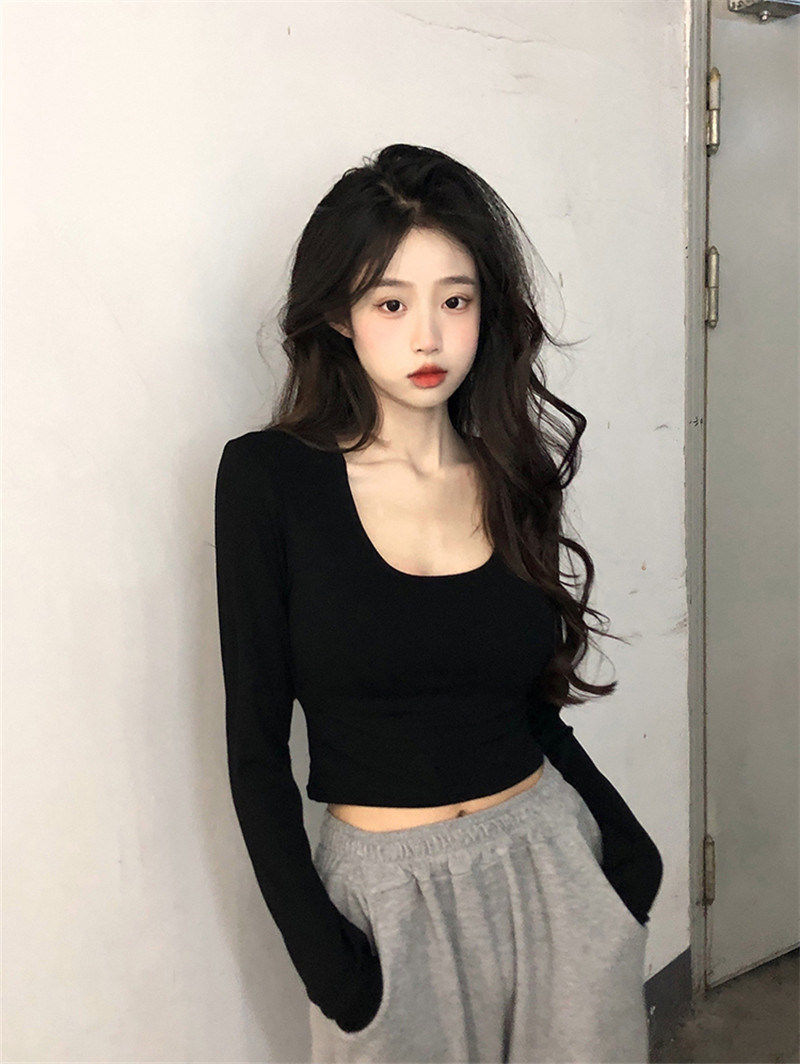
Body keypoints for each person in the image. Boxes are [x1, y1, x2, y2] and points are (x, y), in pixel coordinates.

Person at [213, 143, 664, 1064]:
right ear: (338, 312)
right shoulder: (268, 481)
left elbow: (530, 708)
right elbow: (255, 748)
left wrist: (627, 854)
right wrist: (329, 969)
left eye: (455, 301)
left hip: (551, 865)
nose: (429, 337)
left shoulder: (509, 470)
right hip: (388, 904)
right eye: (391, 303)